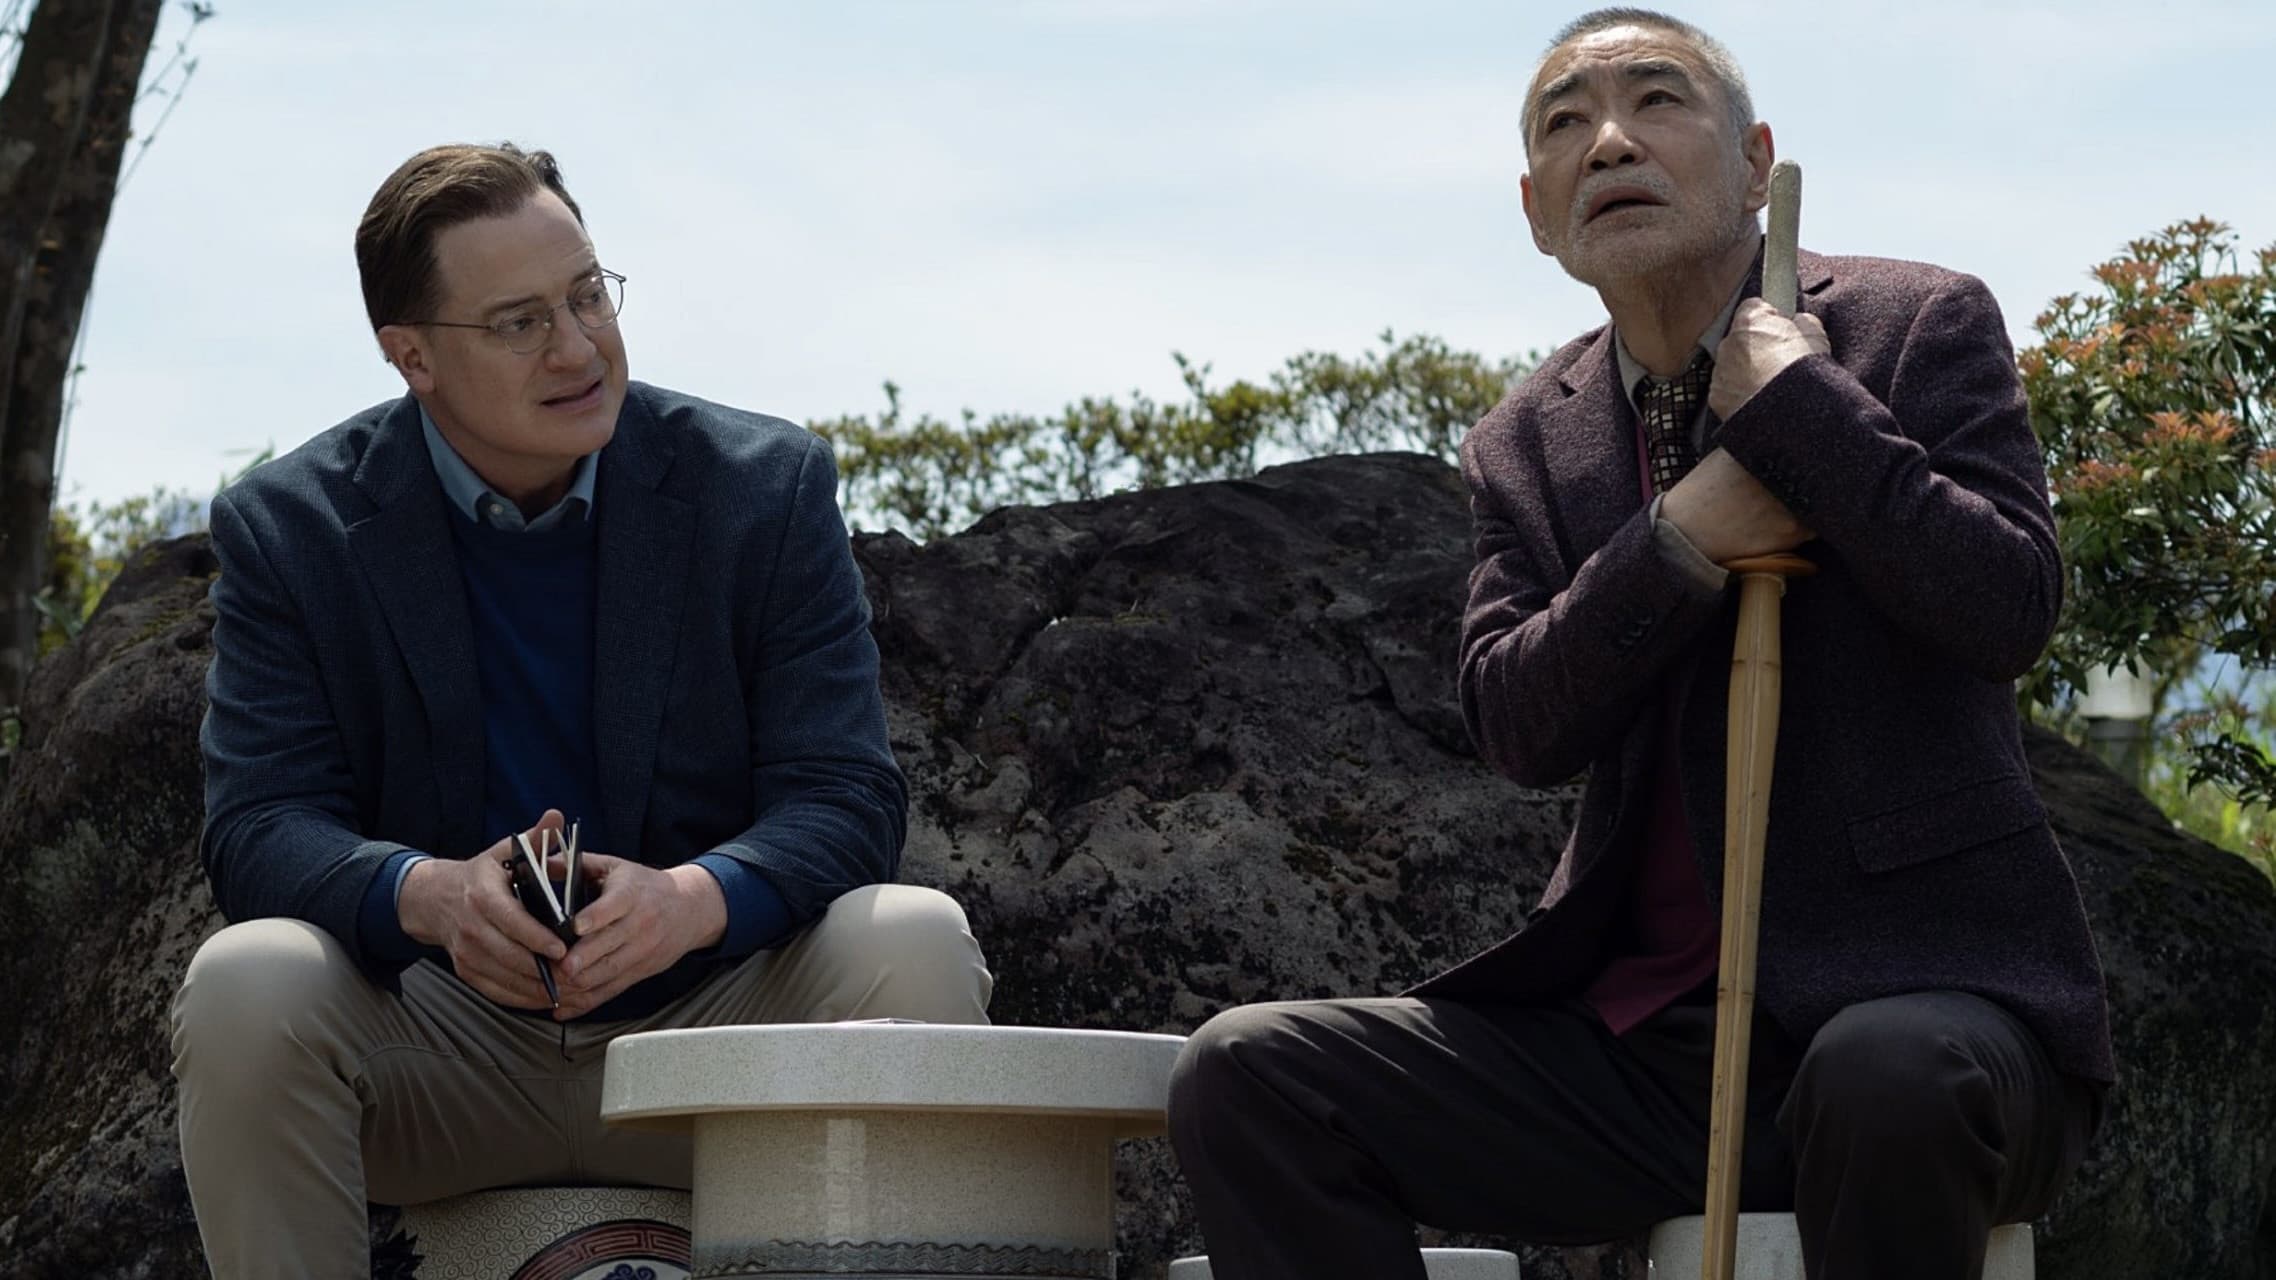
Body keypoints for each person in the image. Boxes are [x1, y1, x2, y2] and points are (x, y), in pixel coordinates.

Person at [1167, 10, 2111, 1278]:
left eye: (1656, 101)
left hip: (1939, 1018)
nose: (1608, 141)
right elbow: (1515, 720)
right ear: (1535, 211)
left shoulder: (1913, 322)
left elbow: (2006, 604)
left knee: (1880, 1071)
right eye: (1565, 123)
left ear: (1754, 162)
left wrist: (1801, 408)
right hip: (1649, 1057)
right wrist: (1680, 537)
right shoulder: (1523, 439)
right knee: (1254, 1071)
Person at [169, 142, 994, 1279]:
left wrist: (692, 901)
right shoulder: (290, 527)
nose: (577, 346)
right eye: (519, 323)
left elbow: (845, 795)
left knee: (911, 939)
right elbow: (260, 827)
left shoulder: (764, 487)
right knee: (247, 978)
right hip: (440, 1055)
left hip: (712, 1051)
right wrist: (433, 896)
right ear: (411, 355)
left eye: (587, 293)